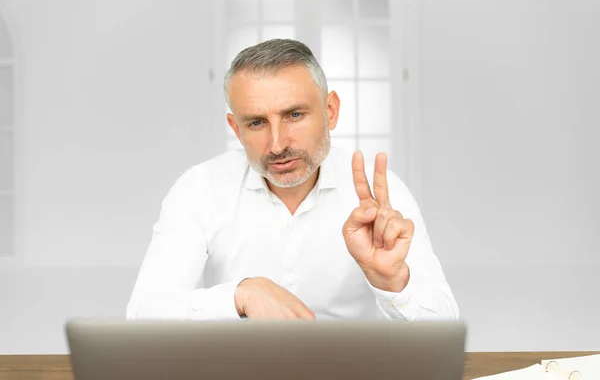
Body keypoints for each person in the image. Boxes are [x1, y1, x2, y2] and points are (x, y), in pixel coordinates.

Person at [126, 39, 459, 321]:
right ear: (235, 129)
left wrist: (393, 280)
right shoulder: (200, 188)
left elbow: (444, 328)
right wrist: (239, 295)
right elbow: (144, 313)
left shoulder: (381, 195)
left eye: (294, 115)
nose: (277, 144)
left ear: (330, 111)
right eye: (256, 123)